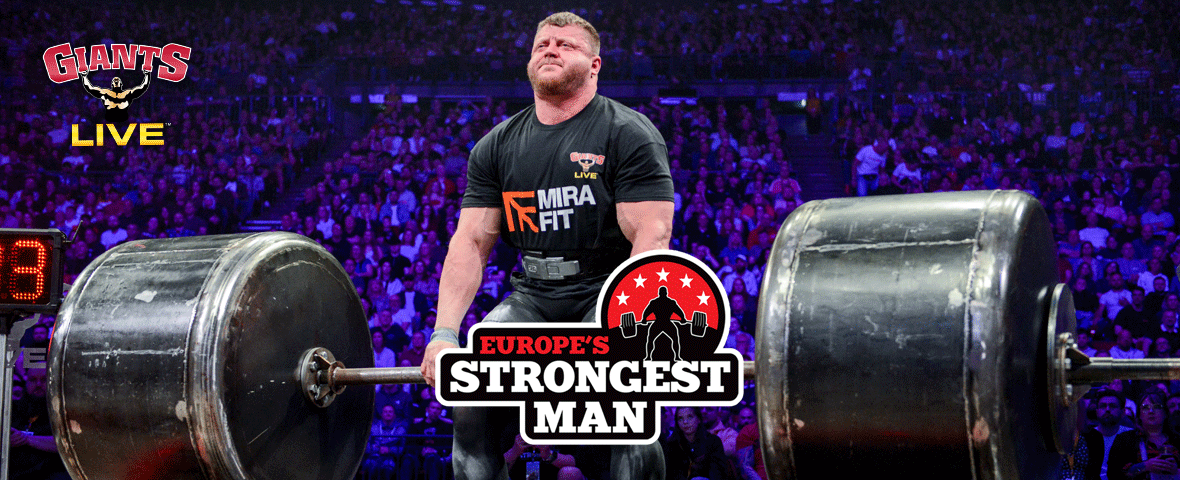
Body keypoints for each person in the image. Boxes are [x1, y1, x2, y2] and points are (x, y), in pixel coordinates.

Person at [419, 11, 674, 480]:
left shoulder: (628, 132)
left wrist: (628, 324)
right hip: (533, 297)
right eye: (542, 44)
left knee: (628, 412)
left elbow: (652, 236)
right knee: (469, 402)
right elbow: (470, 243)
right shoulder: (496, 146)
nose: (550, 49)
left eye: (565, 44)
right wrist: (444, 334)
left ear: (595, 65)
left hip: (606, 292)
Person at [1108, 391, 1180, 480]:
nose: (1151, 411)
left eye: (1157, 407)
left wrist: (1177, 470)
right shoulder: (1124, 440)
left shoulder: (1177, 440)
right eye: (1145, 407)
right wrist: (1145, 466)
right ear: (1139, 415)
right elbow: (1114, 474)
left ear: (1165, 413)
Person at [1078, 388, 1135, 480]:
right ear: (1096, 412)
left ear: (1123, 412)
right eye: (1103, 406)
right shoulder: (1085, 438)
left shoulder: (1133, 437)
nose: (1107, 409)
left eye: (1112, 406)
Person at [661, 406, 733, 480]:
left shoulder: (713, 442)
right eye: (680, 418)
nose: (685, 422)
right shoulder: (671, 445)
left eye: (690, 417)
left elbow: (719, 473)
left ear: (698, 419)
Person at [364, 404, 409, 480]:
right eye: (385, 412)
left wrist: (389, 450)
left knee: (387, 468)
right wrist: (379, 449)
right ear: (381, 414)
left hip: (390, 458)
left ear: (394, 415)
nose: (388, 414)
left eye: (390, 412)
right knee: (369, 465)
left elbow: (402, 449)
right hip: (373, 457)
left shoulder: (400, 429)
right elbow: (367, 446)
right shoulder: (373, 428)